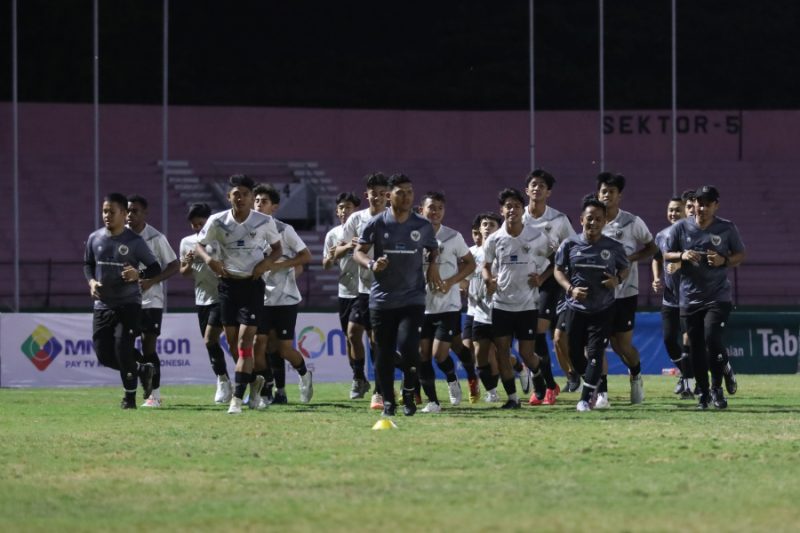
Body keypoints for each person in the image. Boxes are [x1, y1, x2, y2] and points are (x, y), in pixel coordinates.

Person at [353, 173, 442, 417]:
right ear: (388, 196)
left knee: (410, 348)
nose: (406, 196)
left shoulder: (422, 225)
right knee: (383, 353)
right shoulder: (376, 223)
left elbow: (434, 249)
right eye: (400, 191)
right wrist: (371, 264)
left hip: (412, 299)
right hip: (381, 300)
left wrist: (433, 264)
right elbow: (358, 252)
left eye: (410, 191)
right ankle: (389, 402)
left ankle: (409, 391)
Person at [194, 174, 282, 414]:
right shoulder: (217, 221)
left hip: (252, 286)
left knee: (245, 343)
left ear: (252, 197)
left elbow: (277, 249)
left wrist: (265, 264)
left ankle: (236, 398)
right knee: (233, 344)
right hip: (227, 286)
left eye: (245, 194)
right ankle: (254, 382)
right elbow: (199, 244)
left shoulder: (264, 221)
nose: (241, 198)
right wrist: (210, 260)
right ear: (228, 197)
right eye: (236, 194)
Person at [664, 185, 744, 409]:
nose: (701, 207)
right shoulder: (681, 227)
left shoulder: (726, 228)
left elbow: (740, 254)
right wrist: (682, 254)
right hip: (689, 297)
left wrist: (724, 260)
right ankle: (704, 393)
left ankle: (717, 388)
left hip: (718, 296)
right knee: (696, 346)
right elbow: (666, 254)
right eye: (699, 203)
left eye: (707, 203)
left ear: (715, 205)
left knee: (712, 338)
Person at [482, 188, 560, 409]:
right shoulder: (495, 239)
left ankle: (536, 373)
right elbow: (485, 265)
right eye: (508, 206)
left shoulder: (535, 236)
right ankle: (513, 399)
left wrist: (542, 278)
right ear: (502, 210)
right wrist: (489, 280)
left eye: (516, 206)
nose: (512, 210)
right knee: (503, 354)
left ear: (521, 209)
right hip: (501, 305)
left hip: (527, 305)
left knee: (526, 352)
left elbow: (555, 259)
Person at [83, 193, 162, 409]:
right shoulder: (94, 238)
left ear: (123, 214)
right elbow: (88, 265)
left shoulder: (135, 242)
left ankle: (129, 399)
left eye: (112, 211)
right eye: (104, 211)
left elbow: (155, 268)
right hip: (102, 305)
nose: (107, 215)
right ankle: (142, 368)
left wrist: (138, 274)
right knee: (104, 355)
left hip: (128, 304)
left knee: (122, 348)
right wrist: (91, 283)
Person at [553, 197, 630, 412]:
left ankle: (585, 399)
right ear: (581, 220)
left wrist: (618, 280)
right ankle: (592, 384)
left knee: (595, 352)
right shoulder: (569, 244)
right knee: (575, 354)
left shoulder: (613, 247)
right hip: (575, 309)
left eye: (598, 219)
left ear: (605, 221)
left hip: (603, 309)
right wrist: (571, 289)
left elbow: (625, 267)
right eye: (589, 218)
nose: (593, 223)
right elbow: (558, 270)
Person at [596, 172, 657, 407]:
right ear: (598, 194)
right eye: (603, 191)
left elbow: (651, 248)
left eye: (611, 192)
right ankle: (602, 393)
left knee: (621, 346)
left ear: (619, 196)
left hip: (625, 293)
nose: (607, 195)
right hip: (598, 295)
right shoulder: (592, 221)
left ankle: (636, 375)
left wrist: (631, 258)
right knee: (598, 344)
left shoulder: (632, 222)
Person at [252, 184, 313, 407]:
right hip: (260, 298)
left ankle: (305, 374)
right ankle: (268, 387)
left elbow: (306, 256)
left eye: (264, 201)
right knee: (259, 345)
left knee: (282, 348)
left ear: (274, 207)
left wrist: (281, 265)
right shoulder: (247, 230)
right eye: (256, 200)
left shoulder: (284, 230)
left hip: (285, 298)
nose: (258, 204)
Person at [417, 191, 476, 413]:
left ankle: (452, 379)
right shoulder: (413, 236)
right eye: (431, 207)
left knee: (439, 355)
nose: (435, 212)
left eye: (440, 208)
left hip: (448, 306)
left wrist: (451, 282)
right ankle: (433, 402)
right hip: (421, 306)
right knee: (422, 355)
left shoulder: (453, 237)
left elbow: (470, 264)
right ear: (421, 209)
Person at [522, 169, 578, 401]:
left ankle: (548, 386)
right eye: (533, 184)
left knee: (538, 331)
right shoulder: (517, 217)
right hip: (521, 284)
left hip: (549, 283)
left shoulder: (558, 220)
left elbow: (572, 248)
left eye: (542, 186)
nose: (537, 189)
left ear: (549, 192)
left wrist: (545, 277)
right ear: (527, 190)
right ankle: (549, 384)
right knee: (531, 336)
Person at [336, 173, 390, 410]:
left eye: (381, 193)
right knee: (352, 332)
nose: (376, 197)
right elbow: (338, 248)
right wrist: (351, 245)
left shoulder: (394, 218)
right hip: (364, 288)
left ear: (387, 195)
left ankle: (380, 391)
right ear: (366, 194)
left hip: (388, 289)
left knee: (376, 340)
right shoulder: (357, 218)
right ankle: (359, 377)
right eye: (372, 193)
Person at [126, 194, 180, 407]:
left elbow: (174, 265)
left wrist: (151, 281)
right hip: (127, 301)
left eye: (135, 211)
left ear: (145, 213)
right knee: (123, 345)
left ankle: (154, 395)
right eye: (128, 211)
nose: (130, 215)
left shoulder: (156, 238)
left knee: (149, 345)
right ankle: (143, 369)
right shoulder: (121, 238)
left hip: (151, 301)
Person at [179, 203, 232, 404]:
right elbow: (183, 272)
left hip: (222, 295)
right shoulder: (187, 242)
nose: (197, 228)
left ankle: (226, 381)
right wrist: (189, 262)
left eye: (200, 223)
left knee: (211, 339)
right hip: (201, 298)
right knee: (211, 343)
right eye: (194, 225)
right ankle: (225, 379)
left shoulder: (220, 239)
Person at [323, 192, 368, 399]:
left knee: (360, 335)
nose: (344, 211)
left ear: (355, 210)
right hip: (345, 292)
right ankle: (358, 377)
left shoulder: (365, 228)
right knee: (350, 340)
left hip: (365, 290)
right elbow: (325, 265)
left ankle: (363, 380)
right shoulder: (333, 234)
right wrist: (335, 254)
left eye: (348, 207)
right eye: (341, 207)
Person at [651, 196, 694, 398]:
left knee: (689, 339)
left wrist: (679, 264)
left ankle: (690, 381)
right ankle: (687, 373)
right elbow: (656, 257)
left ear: (686, 211)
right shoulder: (662, 235)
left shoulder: (693, 234)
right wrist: (656, 278)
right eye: (670, 210)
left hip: (690, 298)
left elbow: (698, 260)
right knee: (669, 340)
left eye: (677, 210)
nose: (673, 214)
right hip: (669, 298)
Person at [466, 212, 503, 403]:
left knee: (497, 354)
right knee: (477, 353)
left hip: (501, 310)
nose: (487, 227)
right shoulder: (471, 254)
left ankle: (496, 390)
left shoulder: (503, 250)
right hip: (476, 311)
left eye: (492, 224)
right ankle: (490, 389)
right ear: (479, 229)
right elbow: (464, 279)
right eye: (484, 224)